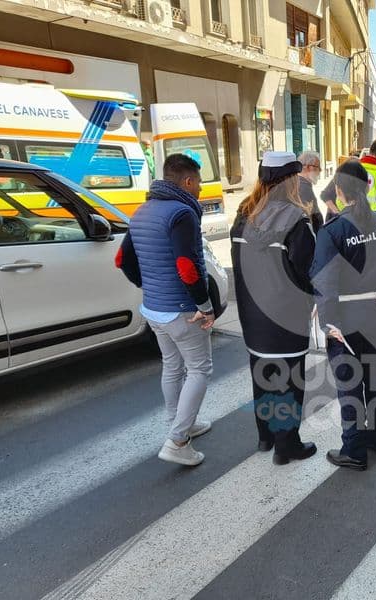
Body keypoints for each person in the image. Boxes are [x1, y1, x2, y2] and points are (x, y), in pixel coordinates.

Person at [116, 154, 215, 467]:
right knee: (199, 369)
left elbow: (122, 260)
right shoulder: (182, 213)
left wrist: (150, 286)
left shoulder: (142, 210)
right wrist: (205, 306)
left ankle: (180, 423)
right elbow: (187, 267)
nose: (200, 188)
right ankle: (178, 440)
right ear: (187, 181)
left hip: (154, 308)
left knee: (173, 366)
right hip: (183, 309)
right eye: (198, 181)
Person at [311, 160, 376, 471]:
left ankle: (354, 449)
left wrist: (327, 324)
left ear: (338, 190)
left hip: (346, 321)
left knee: (350, 385)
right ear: (368, 187)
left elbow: (324, 282)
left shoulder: (333, 231)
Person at [230, 152, 318, 465]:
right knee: (290, 383)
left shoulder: (244, 214)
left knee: (263, 375)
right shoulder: (296, 218)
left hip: (253, 318)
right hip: (286, 319)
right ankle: (287, 446)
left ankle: (265, 436)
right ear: (291, 179)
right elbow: (309, 271)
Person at [320, 139, 376, 218]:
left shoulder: (349, 170)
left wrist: (339, 214)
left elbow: (327, 194)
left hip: (348, 220)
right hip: (374, 224)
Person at [296, 151, 324, 233]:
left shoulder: (302, 184)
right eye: (317, 167)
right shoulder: (303, 187)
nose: (320, 170)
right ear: (307, 167)